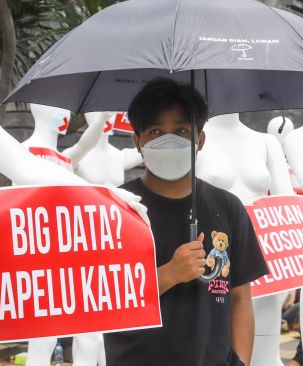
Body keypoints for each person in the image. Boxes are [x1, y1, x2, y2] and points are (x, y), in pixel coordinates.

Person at [103, 78, 268, 366]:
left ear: (199, 140)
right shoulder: (116, 208)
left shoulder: (227, 207)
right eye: (156, 131)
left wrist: (241, 361)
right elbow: (105, 299)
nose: (169, 140)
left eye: (181, 131)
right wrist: (170, 274)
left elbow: (240, 298)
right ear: (138, 141)